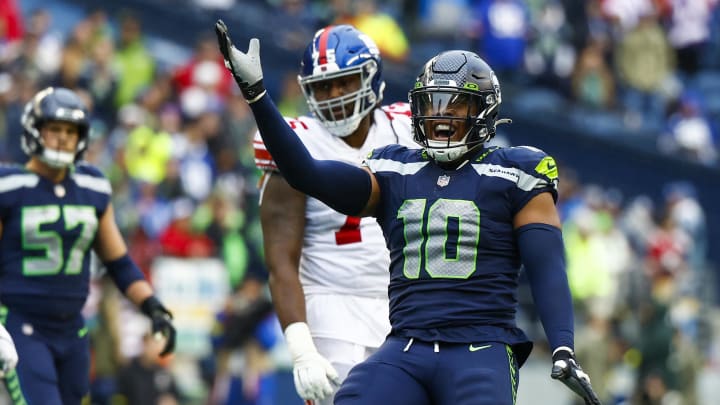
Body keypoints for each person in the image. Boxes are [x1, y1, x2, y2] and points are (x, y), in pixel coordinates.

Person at [215, 21, 601, 405]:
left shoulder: (516, 171)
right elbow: (307, 174)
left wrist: (563, 347)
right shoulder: (395, 168)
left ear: (484, 110)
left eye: (456, 105)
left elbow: (547, 265)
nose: (442, 117)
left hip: (479, 342)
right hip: (401, 338)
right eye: (432, 105)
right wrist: (258, 96)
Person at [252, 24, 416, 404]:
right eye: (324, 86)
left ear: (372, 76)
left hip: (405, 301)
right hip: (330, 303)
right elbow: (280, 262)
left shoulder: (406, 128)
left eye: (345, 81)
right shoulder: (296, 141)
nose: (335, 95)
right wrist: (301, 347)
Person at [0, 87, 176, 404]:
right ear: (34, 130)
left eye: (71, 131)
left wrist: (153, 307)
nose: (64, 138)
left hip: (73, 331)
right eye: (54, 128)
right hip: (20, 324)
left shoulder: (91, 185)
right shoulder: (9, 186)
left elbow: (118, 262)